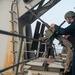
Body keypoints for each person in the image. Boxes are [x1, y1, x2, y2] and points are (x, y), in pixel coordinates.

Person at [50, 11, 75, 75]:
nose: (66, 21)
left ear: (70, 18)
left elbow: (64, 31)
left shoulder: (74, 24)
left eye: (66, 19)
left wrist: (55, 26)